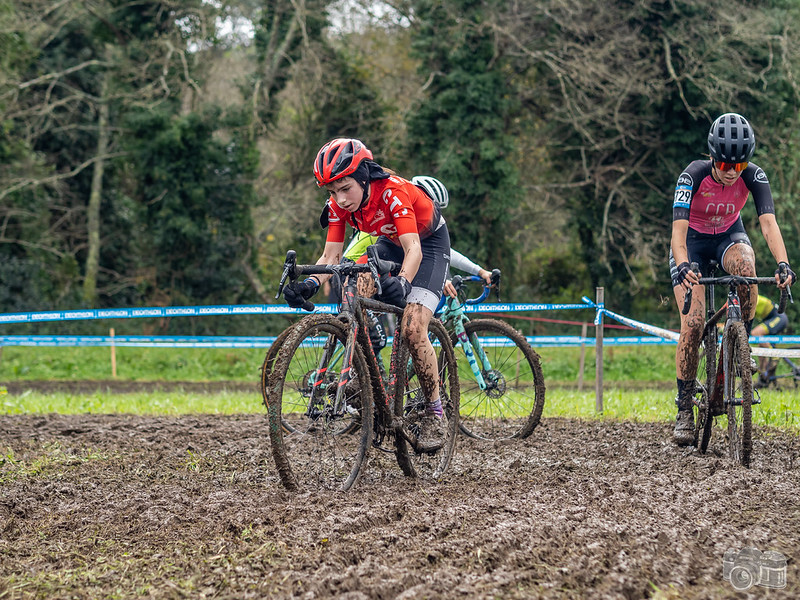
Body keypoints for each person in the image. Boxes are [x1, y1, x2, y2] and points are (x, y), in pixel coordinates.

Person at [283, 138, 451, 451]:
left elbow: (413, 249)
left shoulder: (392, 191)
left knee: (413, 327)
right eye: (332, 191)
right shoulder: (337, 205)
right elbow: (330, 258)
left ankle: (435, 411)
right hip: (390, 244)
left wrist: (402, 282)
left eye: (345, 187)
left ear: (363, 177)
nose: (340, 199)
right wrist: (310, 284)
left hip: (427, 246)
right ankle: (371, 376)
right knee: (354, 286)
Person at [669, 112, 795, 446]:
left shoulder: (754, 176)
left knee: (747, 266)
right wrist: (683, 266)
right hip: (692, 244)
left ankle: (741, 341)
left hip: (727, 236)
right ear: (712, 156)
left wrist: (783, 264)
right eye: (725, 164)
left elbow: (768, 224)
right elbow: (677, 237)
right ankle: (684, 409)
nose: (730, 172)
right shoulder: (691, 176)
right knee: (693, 324)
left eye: (738, 166)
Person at [751, 294, 790, 387]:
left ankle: (773, 355)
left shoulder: (753, 299)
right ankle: (764, 374)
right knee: (761, 347)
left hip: (779, 318)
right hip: (773, 318)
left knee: (755, 333)